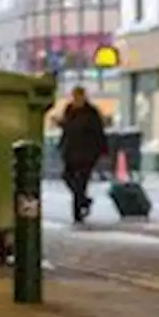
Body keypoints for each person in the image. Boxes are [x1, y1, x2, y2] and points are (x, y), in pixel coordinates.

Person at [57, 85, 108, 224]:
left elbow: (98, 132)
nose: (77, 99)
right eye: (75, 96)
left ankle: (77, 214)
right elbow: (67, 130)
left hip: (87, 152)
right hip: (71, 151)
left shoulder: (91, 112)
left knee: (81, 182)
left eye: (79, 96)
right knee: (67, 177)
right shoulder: (69, 109)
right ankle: (83, 200)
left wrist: (102, 150)